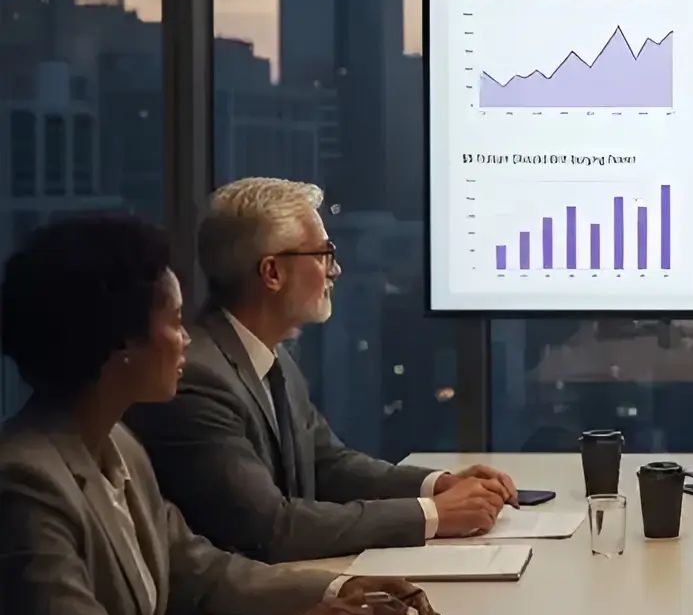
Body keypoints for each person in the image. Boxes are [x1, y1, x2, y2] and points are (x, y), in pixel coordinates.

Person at [0, 217, 437, 615]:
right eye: (175, 319)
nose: (187, 338)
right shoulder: (26, 479)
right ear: (121, 341)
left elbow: (198, 571)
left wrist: (337, 591)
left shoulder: (119, 446)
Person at [126, 178, 518, 563]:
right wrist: (433, 515)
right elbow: (271, 528)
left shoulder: (271, 359)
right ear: (272, 273)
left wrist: (439, 485)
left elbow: (329, 464)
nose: (336, 270)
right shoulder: (198, 380)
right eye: (323, 254)